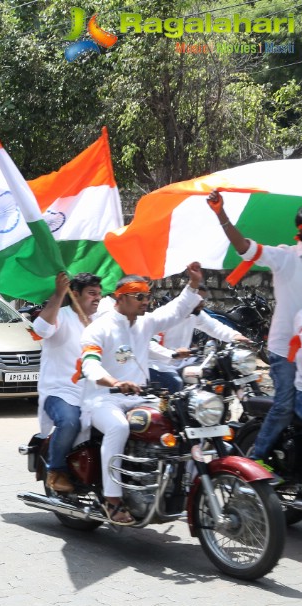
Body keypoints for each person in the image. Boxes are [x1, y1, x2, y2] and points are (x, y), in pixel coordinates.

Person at [78, 263, 204, 524]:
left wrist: (193, 284)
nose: (146, 302)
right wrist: (114, 381)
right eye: (139, 297)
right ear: (121, 297)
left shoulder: (144, 324)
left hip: (140, 398)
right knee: (118, 428)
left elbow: (175, 311)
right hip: (103, 399)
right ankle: (112, 500)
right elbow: (90, 364)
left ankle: (185, 484)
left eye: (148, 297)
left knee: (183, 422)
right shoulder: (98, 328)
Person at [208, 190, 302, 466]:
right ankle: (256, 459)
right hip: (285, 351)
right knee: (285, 406)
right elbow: (244, 248)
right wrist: (221, 214)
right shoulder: (285, 258)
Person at [32, 272, 102, 493]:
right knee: (70, 421)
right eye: (91, 293)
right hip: (60, 391)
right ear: (76, 295)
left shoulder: (100, 323)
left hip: (93, 393)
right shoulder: (62, 315)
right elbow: (40, 330)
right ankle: (56, 470)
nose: (97, 298)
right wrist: (59, 293)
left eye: (99, 294)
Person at [149, 284, 249, 392]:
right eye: (199, 299)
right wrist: (172, 354)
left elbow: (214, 326)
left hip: (183, 361)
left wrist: (235, 336)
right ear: (188, 298)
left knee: (215, 371)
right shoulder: (166, 314)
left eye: (203, 299)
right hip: (159, 364)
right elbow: (150, 343)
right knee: (176, 383)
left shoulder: (194, 313)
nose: (202, 303)